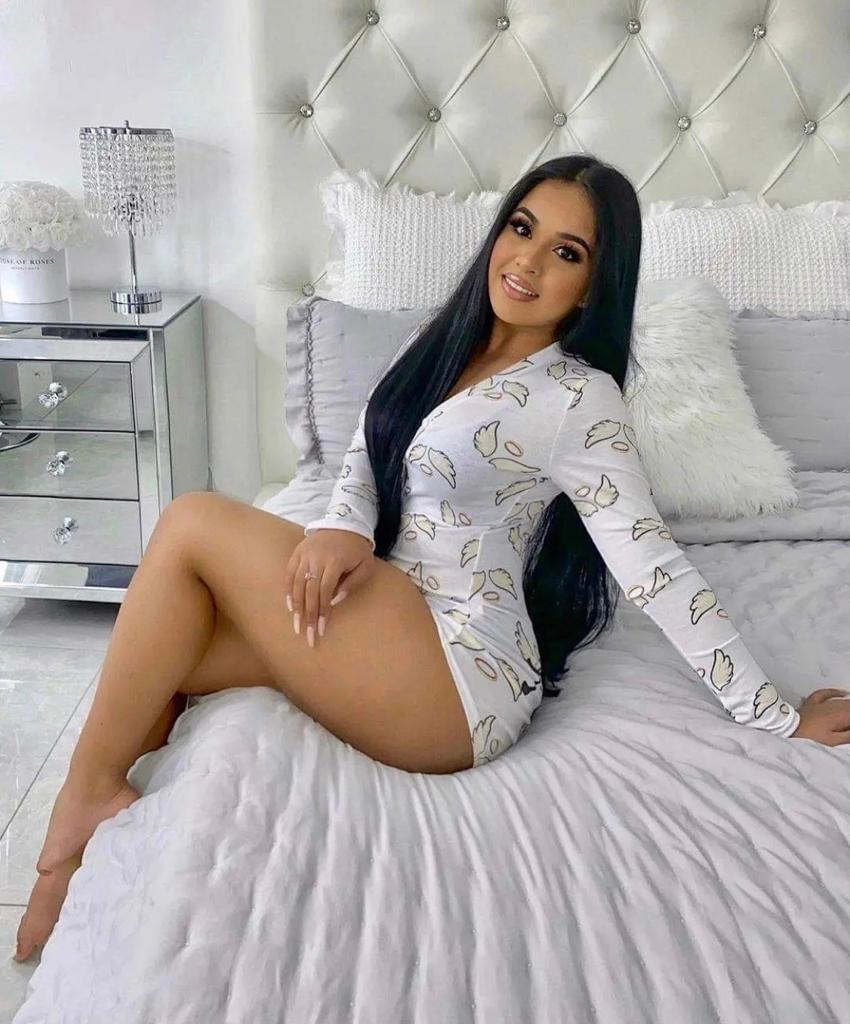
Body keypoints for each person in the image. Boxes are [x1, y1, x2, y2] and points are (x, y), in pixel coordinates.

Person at [14, 154, 849, 963]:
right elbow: (363, 452)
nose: (527, 261)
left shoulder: (578, 398)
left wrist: (773, 715)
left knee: (192, 522)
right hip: (394, 616)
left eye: (567, 252)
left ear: (595, 284)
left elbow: (651, 565)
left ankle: (81, 797)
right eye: (521, 228)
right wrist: (342, 526)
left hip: (459, 671)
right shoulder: (442, 342)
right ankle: (67, 869)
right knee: (170, 652)